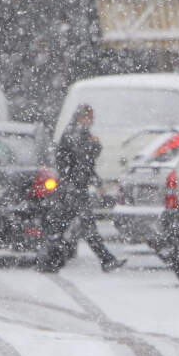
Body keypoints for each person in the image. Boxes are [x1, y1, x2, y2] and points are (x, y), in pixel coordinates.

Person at [51, 104, 125, 272]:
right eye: (88, 117)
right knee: (80, 226)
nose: (91, 121)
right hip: (72, 188)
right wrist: (94, 147)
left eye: (91, 118)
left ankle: (53, 258)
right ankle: (52, 258)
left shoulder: (80, 134)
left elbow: (86, 164)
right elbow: (82, 161)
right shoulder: (75, 135)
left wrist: (97, 183)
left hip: (74, 188)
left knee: (70, 225)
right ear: (80, 118)